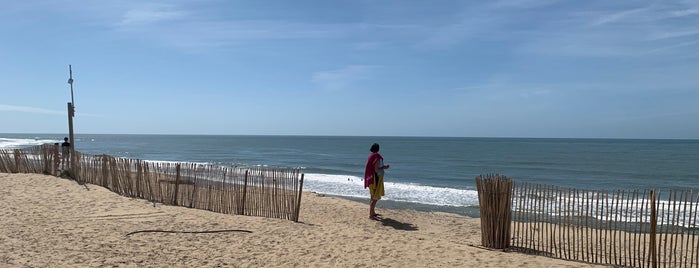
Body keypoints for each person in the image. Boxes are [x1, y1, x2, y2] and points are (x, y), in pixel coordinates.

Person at [364, 143, 389, 220]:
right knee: (375, 197)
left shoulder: (371, 156)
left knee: (372, 197)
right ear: (378, 149)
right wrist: (384, 167)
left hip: (371, 179)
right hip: (376, 179)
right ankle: (371, 215)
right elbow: (376, 169)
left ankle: (372, 212)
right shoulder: (377, 157)